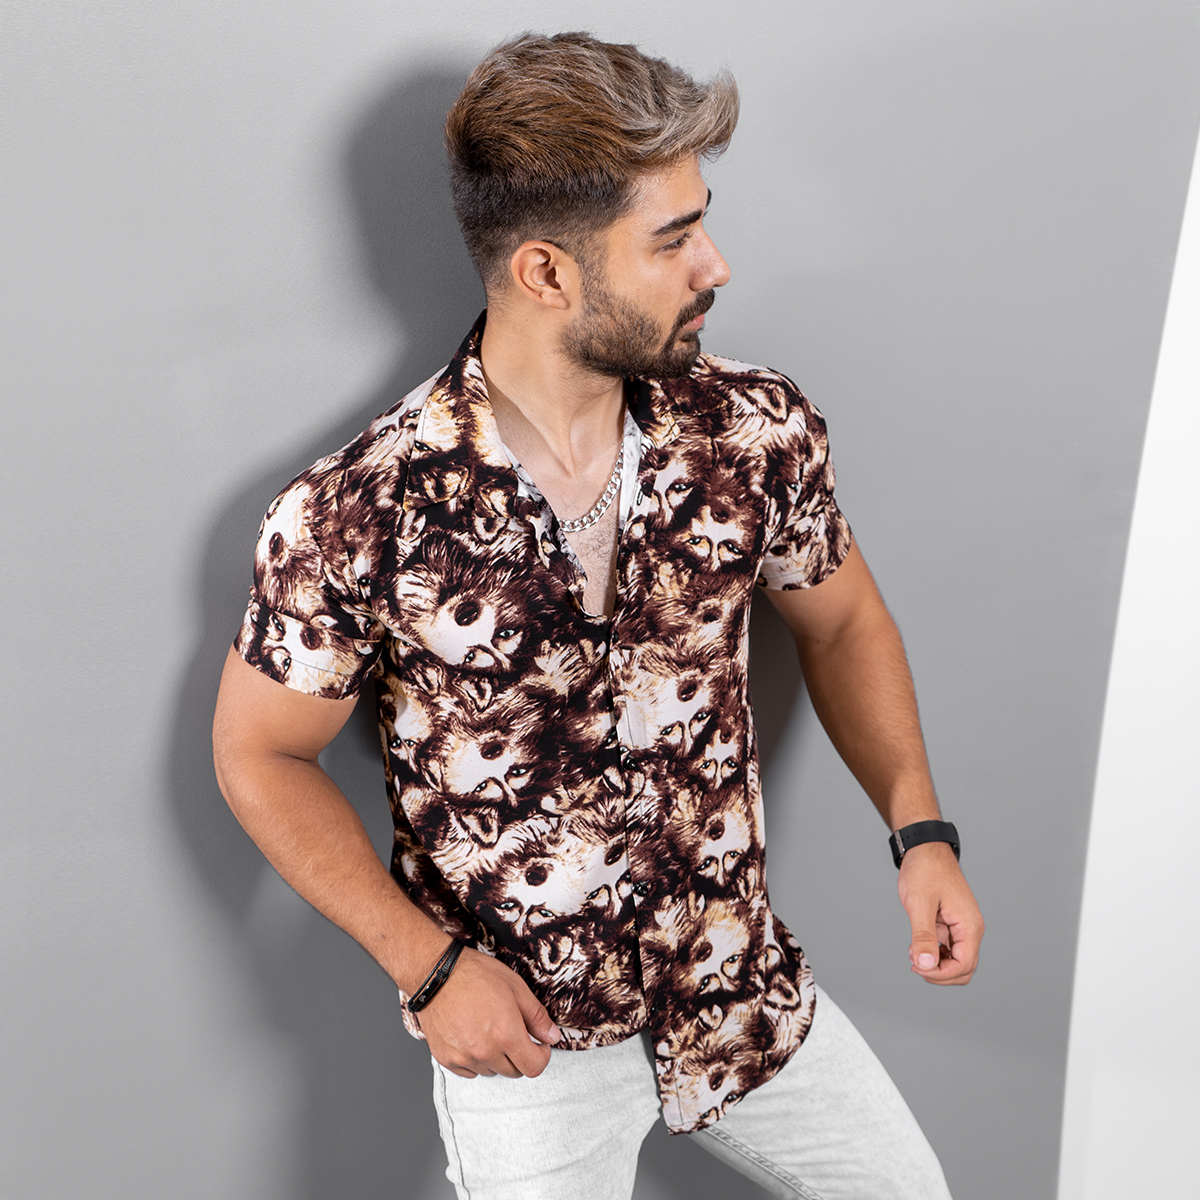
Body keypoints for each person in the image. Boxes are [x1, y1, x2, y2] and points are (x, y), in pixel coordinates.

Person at [213, 30, 983, 1200]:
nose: (716, 265)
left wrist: (920, 833)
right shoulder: (357, 511)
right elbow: (259, 754)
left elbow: (842, 624)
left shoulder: (752, 431)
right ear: (546, 273)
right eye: (672, 241)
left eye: (701, 224)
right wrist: (427, 970)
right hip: (531, 1043)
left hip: (740, 990)